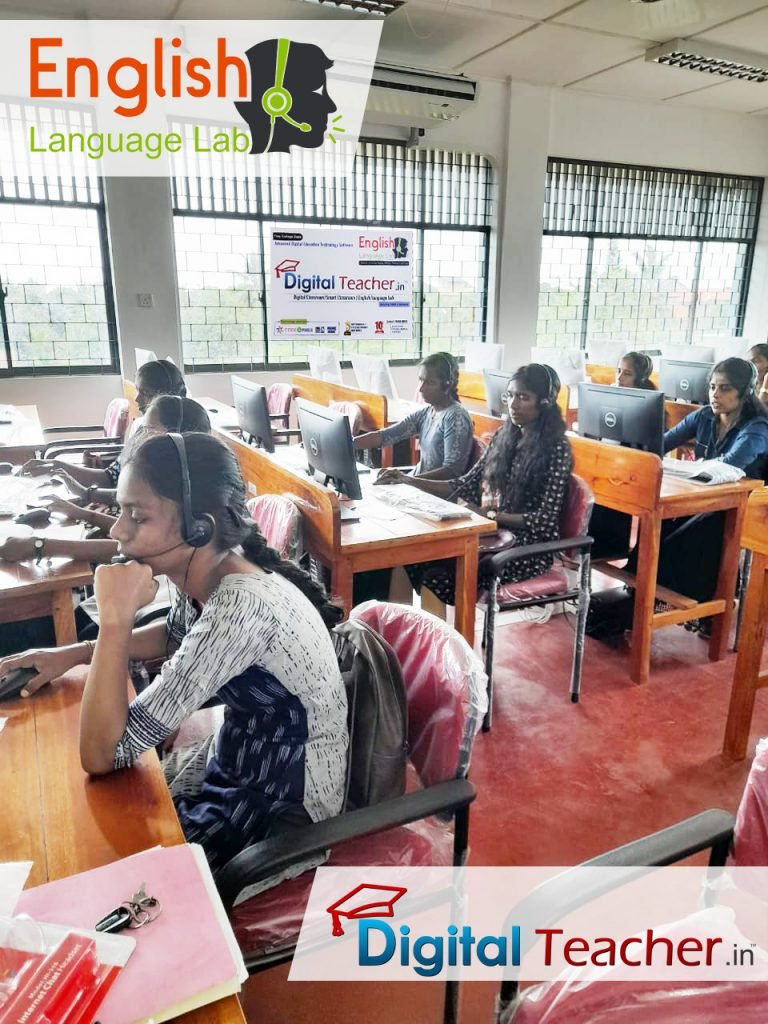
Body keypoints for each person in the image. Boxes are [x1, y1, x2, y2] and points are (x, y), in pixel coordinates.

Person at [0, 432, 348, 871]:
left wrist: (115, 622)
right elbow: (176, 633)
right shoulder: (208, 570)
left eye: (136, 516)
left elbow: (103, 753)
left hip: (284, 804)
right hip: (239, 758)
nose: (116, 530)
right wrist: (75, 652)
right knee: (90, 813)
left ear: (199, 528)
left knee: (112, 864)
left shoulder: (241, 608)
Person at [376, 363, 572, 605]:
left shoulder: (557, 448)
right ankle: (396, 634)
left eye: (524, 397)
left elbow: (545, 519)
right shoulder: (503, 436)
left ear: (544, 402)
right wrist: (409, 481)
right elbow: (463, 484)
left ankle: (440, 641)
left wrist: (489, 514)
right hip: (493, 532)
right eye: (510, 395)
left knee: (437, 576)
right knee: (410, 559)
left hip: (529, 545)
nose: (513, 403)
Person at [0, 397, 212, 566]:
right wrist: (81, 513)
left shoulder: (181, 495)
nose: (138, 437)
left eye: (148, 431)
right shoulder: (161, 479)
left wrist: (41, 546)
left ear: (178, 438)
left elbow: (140, 551)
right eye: (140, 429)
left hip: (142, 598)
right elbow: (134, 535)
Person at [19, 358, 188, 494]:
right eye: (138, 391)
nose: (137, 400)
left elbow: (134, 498)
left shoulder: (172, 444)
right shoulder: (144, 429)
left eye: (145, 393)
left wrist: (85, 496)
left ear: (167, 394)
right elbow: (111, 477)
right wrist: (57, 465)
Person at [353, 352, 474, 480]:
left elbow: (451, 472)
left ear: (447, 384)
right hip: (416, 484)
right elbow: (386, 436)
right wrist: (349, 444)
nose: (421, 389)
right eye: (421, 380)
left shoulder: (456, 417)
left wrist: (407, 480)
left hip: (434, 495)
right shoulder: (427, 412)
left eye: (430, 383)